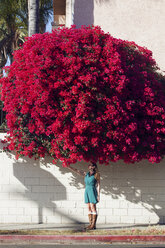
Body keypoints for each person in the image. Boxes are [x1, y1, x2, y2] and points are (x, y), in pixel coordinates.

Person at [67, 162, 100, 230]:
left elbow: (98, 185)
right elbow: (77, 171)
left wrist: (98, 195)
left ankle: (93, 225)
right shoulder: (86, 174)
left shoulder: (97, 174)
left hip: (92, 190)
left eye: (91, 166)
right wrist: (69, 167)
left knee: (93, 207)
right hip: (87, 190)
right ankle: (90, 224)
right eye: (89, 166)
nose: (89, 167)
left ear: (94, 167)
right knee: (88, 207)